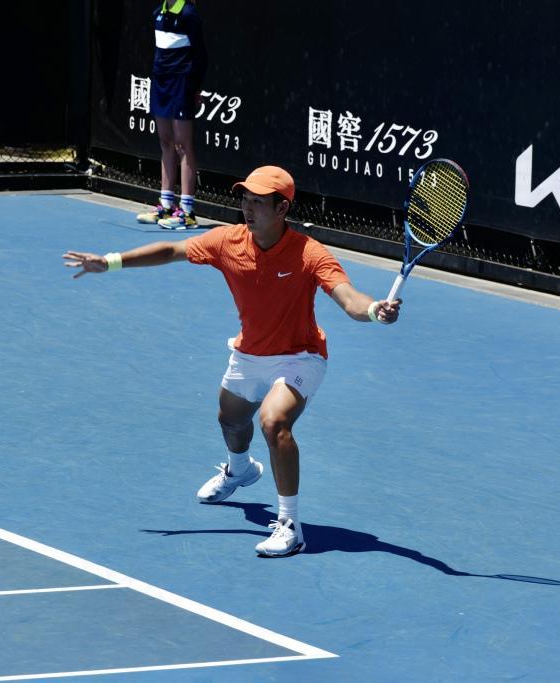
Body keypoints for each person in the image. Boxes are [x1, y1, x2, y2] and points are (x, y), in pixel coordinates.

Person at [64, 166, 402, 557]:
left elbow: (349, 298)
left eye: (258, 202)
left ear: (282, 208)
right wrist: (111, 262)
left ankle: (290, 526)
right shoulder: (228, 241)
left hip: (299, 357)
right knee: (230, 420)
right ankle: (240, 470)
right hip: (249, 353)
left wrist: (375, 310)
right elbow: (172, 250)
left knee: (273, 422)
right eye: (245, 198)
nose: (247, 207)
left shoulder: (309, 253)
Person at [135, 0, 206, 231]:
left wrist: (194, 87)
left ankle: (187, 213)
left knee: (182, 145)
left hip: (181, 83)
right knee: (165, 142)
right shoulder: (158, 13)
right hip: (160, 82)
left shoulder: (188, 14)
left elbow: (201, 54)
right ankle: (166, 205)